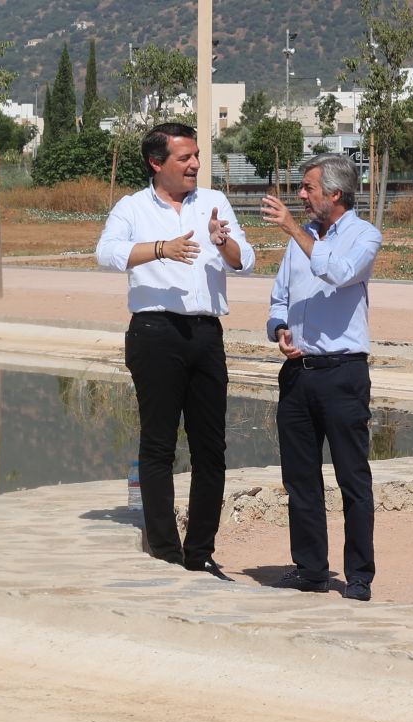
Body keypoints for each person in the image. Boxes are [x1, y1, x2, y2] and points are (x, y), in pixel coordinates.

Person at [95, 123, 256, 575]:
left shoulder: (214, 203)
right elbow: (106, 253)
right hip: (154, 332)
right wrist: (161, 249)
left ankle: (200, 551)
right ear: (156, 162)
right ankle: (165, 550)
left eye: (197, 156)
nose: (195, 165)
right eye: (185, 158)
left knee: (211, 447)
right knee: (159, 444)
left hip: (206, 335)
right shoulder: (132, 207)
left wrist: (224, 244)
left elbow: (247, 261)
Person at [259, 153, 382, 602]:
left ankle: (359, 575)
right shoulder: (300, 241)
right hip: (298, 373)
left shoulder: (364, 236)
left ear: (335, 193)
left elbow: (339, 272)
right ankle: (310, 567)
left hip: (342, 374)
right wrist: (280, 329)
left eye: (309, 187)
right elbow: (279, 298)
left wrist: (293, 228)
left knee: (352, 476)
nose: (302, 195)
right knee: (300, 478)